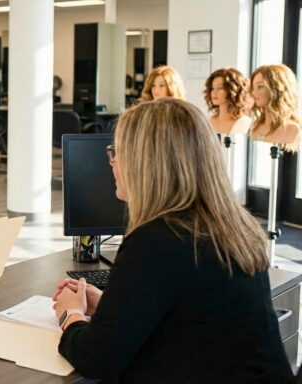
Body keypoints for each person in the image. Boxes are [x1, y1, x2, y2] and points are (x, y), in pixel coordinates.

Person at [52, 98, 293, 383]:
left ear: (144, 164)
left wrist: (71, 314)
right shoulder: (236, 227)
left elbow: (97, 358)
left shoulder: (157, 241)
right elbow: (191, 314)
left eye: (117, 152)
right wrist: (110, 305)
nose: (112, 162)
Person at [204, 67, 252, 204]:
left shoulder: (245, 123)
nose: (214, 92)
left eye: (220, 88)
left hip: (234, 190)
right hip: (211, 185)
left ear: (233, 89)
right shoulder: (207, 122)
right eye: (212, 88)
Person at [250, 64, 301, 152]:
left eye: (260, 87)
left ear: (276, 89)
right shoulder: (255, 127)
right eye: (253, 88)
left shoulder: (291, 128)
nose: (254, 93)